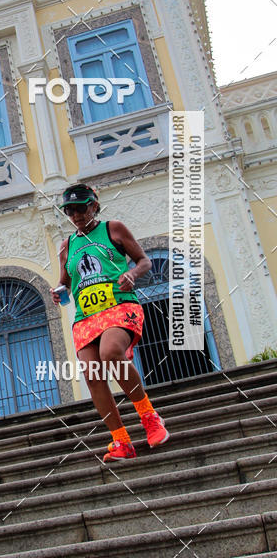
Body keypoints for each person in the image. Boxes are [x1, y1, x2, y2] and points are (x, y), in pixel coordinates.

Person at [51, 183, 170, 462]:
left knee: (110, 352)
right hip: (85, 316)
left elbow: (144, 261)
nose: (77, 215)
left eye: (81, 208)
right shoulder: (66, 246)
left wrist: (132, 274)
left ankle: (150, 418)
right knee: (93, 375)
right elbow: (65, 282)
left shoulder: (113, 229)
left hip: (119, 305)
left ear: (94, 205)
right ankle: (121, 441)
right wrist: (58, 292)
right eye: (70, 211)